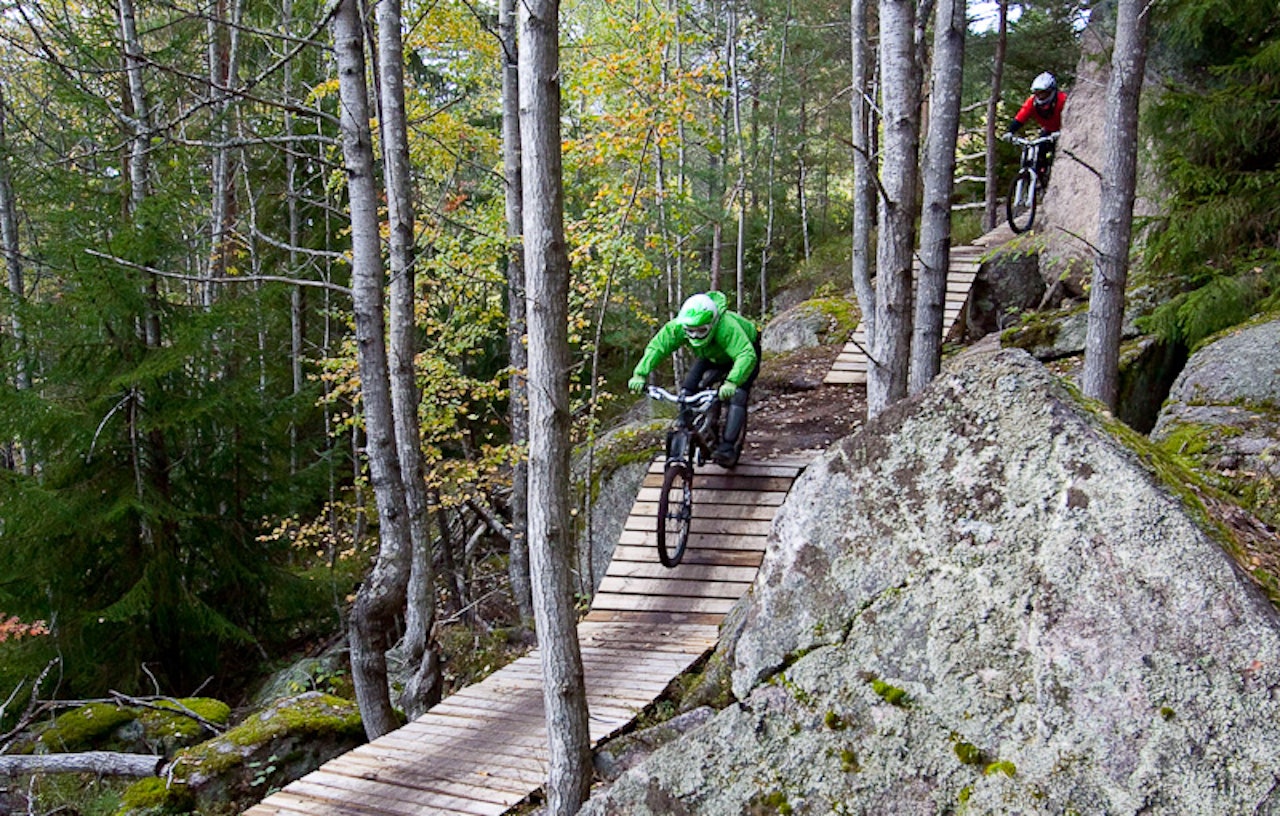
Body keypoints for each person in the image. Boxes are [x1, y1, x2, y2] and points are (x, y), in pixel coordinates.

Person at [628, 291, 760, 468]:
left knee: (737, 396)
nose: (696, 336)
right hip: (710, 354)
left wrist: (732, 382)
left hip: (744, 352)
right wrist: (640, 374)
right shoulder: (678, 327)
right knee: (687, 390)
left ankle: (728, 448)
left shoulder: (726, 327)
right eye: (690, 331)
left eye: (701, 331)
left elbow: (745, 355)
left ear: (712, 324)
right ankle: (688, 426)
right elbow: (657, 347)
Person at [1006, 72, 1066, 175]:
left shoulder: (1062, 100)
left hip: (1063, 132)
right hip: (1048, 130)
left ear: (1051, 91)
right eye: (1038, 93)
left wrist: (1064, 131)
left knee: (1059, 157)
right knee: (1038, 153)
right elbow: (1020, 118)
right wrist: (1010, 132)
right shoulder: (1032, 102)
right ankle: (1037, 178)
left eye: (1043, 93)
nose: (1040, 96)